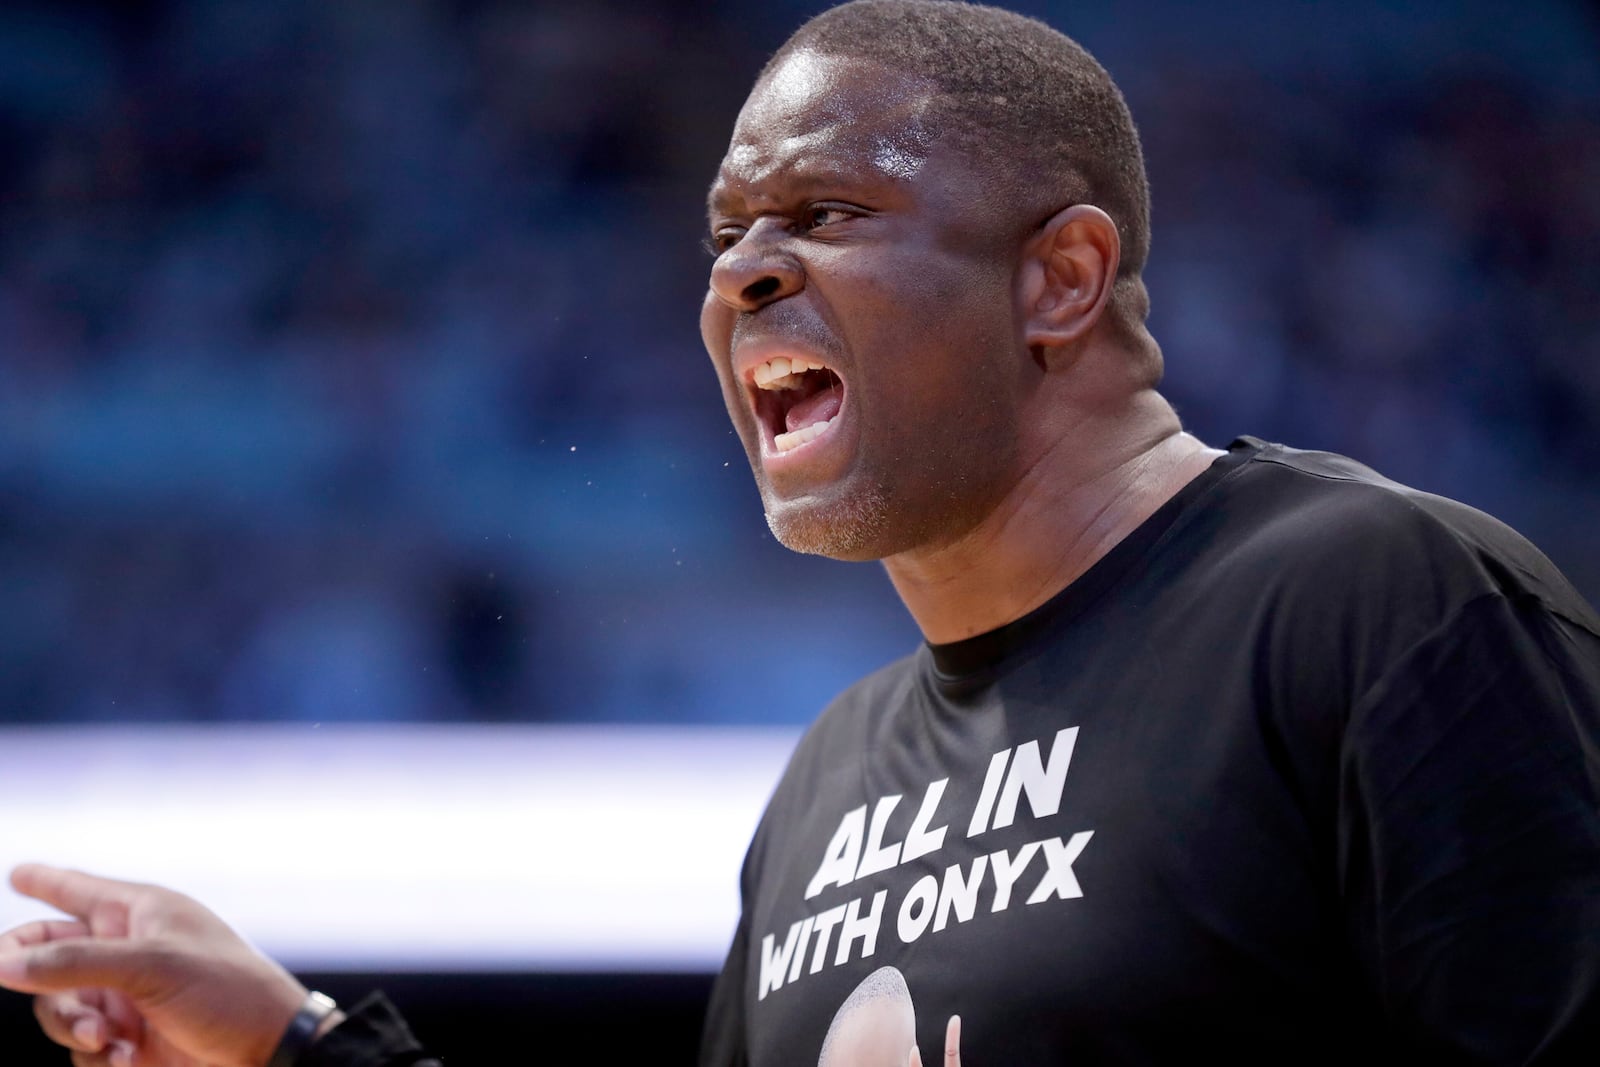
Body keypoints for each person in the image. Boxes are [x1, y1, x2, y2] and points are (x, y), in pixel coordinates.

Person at [3, 1, 1598, 1064]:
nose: (744, 272)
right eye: (727, 234)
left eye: (827, 212)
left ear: (1059, 278)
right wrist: (289, 1040)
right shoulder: (833, 785)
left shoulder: (1378, 606)